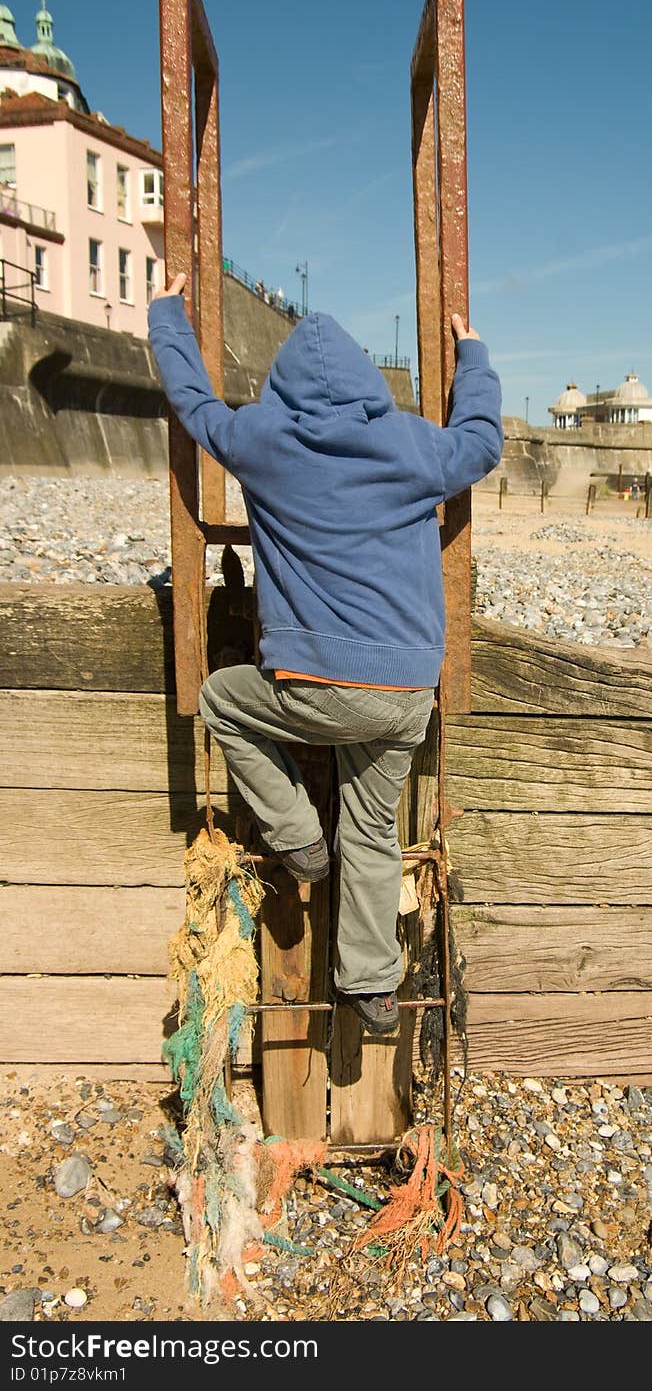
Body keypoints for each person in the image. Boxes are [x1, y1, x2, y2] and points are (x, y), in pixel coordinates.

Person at [148, 273, 503, 1035]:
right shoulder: (409, 443)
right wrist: (472, 357)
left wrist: (168, 319)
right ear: (370, 381)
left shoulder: (264, 440)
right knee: (372, 825)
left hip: (312, 685)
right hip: (408, 688)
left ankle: (298, 835)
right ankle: (373, 986)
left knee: (220, 699)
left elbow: (198, 409)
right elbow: (481, 442)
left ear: (281, 383)